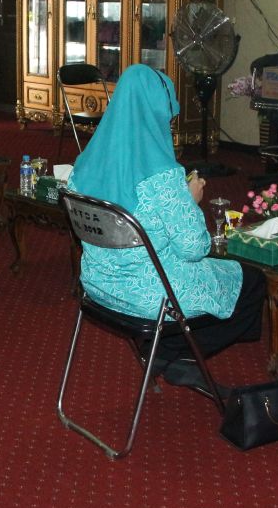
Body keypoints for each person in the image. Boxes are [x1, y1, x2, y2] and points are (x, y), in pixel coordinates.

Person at [66, 64, 266, 393]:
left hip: (97, 286)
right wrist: (190, 198)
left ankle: (166, 354)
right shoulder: (163, 175)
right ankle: (174, 353)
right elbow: (194, 248)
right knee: (251, 283)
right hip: (149, 297)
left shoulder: (82, 166)